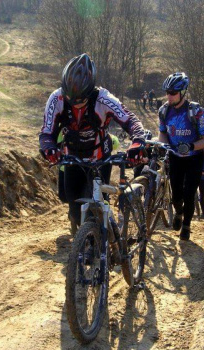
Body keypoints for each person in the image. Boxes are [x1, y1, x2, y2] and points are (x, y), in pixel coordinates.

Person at [39, 53, 147, 235]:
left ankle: (105, 243)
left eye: (80, 101)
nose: (75, 105)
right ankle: (86, 241)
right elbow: (46, 132)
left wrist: (137, 142)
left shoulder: (103, 98)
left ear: (90, 92)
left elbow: (131, 121)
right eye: (70, 98)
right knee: (74, 211)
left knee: (96, 208)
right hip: (72, 158)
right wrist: (48, 147)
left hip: (99, 159)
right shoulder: (56, 98)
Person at [157, 72, 204, 240]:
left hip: (194, 158)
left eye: (173, 93)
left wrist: (191, 145)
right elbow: (162, 134)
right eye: (167, 92)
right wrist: (164, 145)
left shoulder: (197, 113)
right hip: (175, 157)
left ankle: (186, 225)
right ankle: (178, 213)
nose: (169, 96)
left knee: (189, 193)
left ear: (183, 93)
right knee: (176, 196)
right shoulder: (164, 111)